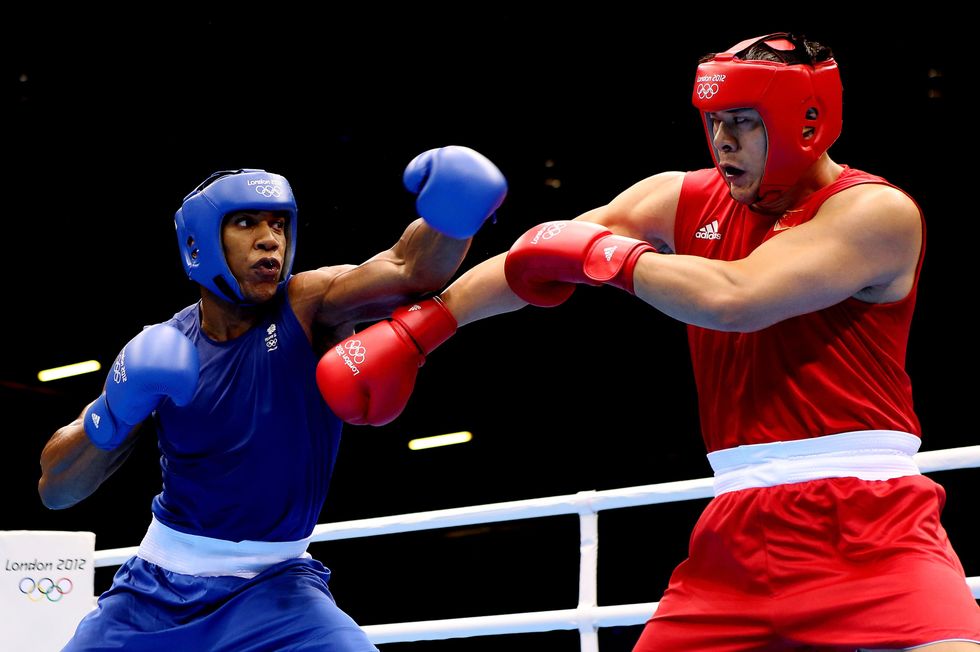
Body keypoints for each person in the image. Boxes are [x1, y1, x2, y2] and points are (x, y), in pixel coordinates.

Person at [318, 33, 980, 651]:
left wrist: (608, 257)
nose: (723, 140)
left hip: (872, 526)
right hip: (734, 535)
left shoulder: (873, 213)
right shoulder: (681, 197)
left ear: (807, 121)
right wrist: (423, 328)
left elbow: (737, 298)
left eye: (744, 121)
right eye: (714, 120)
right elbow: (537, 256)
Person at [37, 148, 508, 651]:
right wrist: (112, 413)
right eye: (246, 223)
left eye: (280, 224)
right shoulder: (165, 347)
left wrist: (454, 218)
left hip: (278, 592)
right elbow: (56, 490)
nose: (269, 240)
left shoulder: (309, 305)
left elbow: (409, 268)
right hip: (152, 595)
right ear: (198, 242)